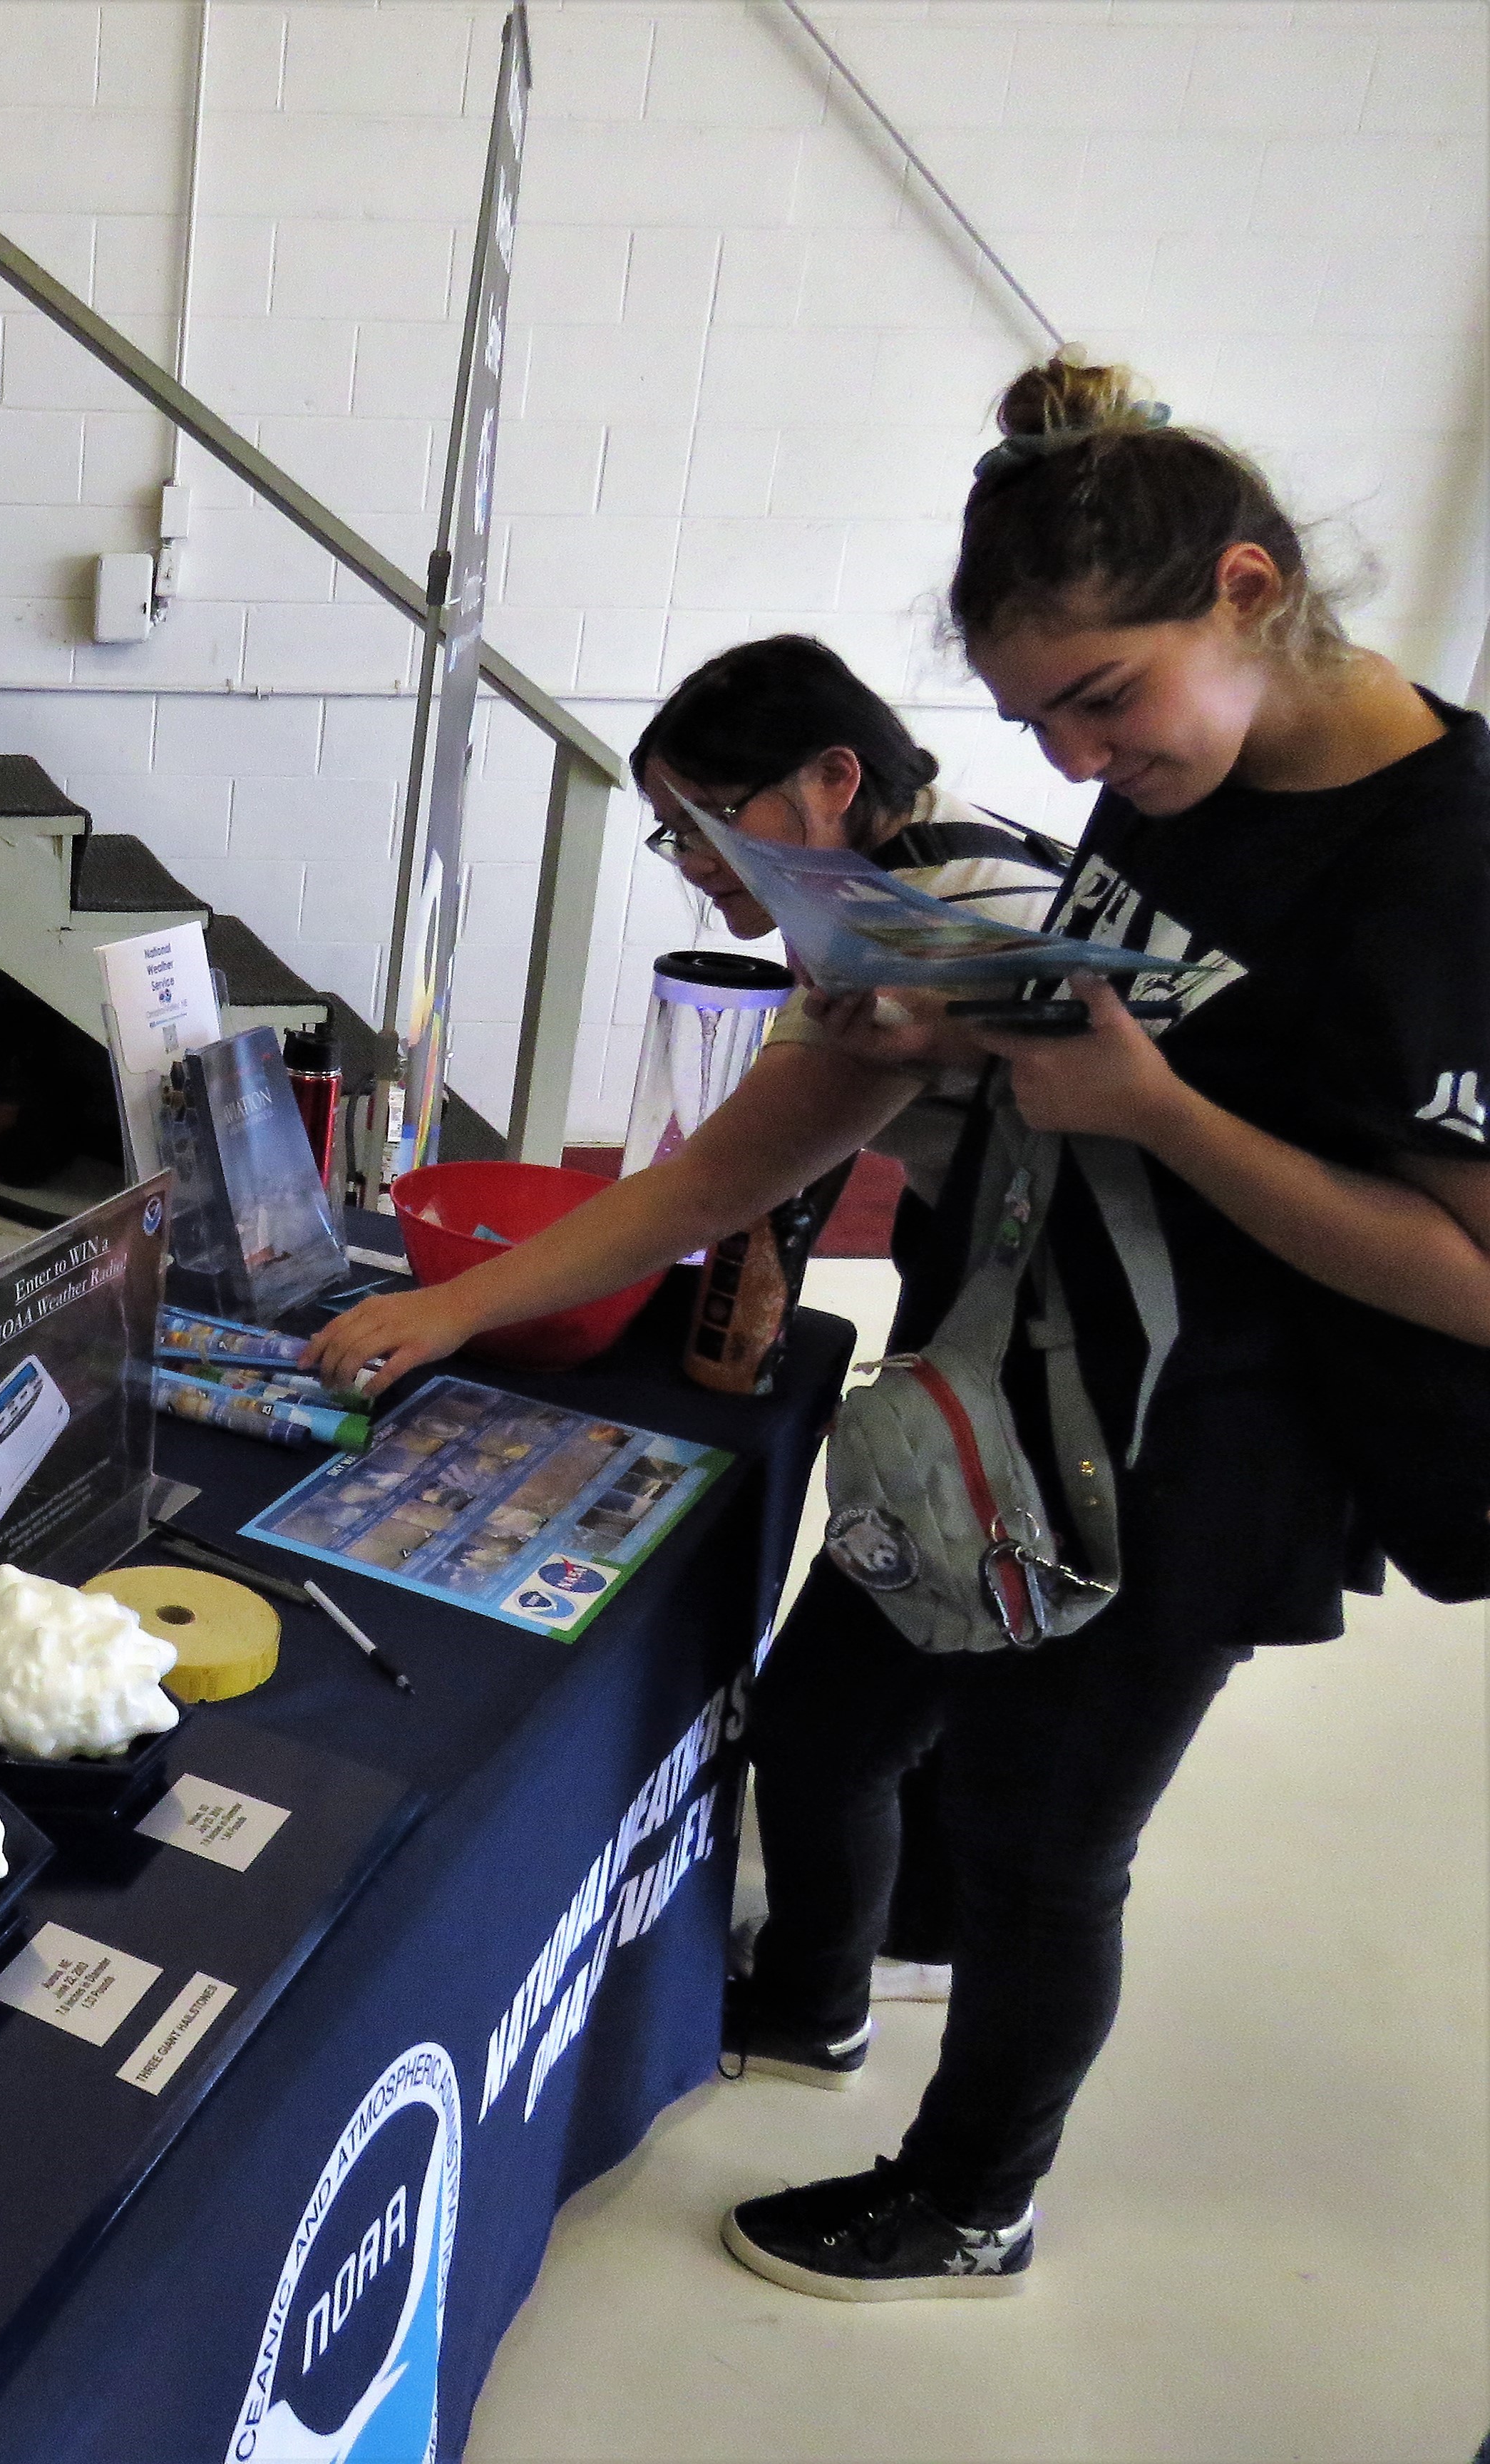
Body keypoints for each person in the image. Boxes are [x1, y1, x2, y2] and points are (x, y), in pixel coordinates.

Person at [309, 350, 1490, 2300]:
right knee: (839, 1713)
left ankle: (971, 2197)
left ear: (1252, 590)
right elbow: (1130, 1025)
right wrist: (960, 1034)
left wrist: (1158, 1116)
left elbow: (1458, 1270)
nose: (1082, 763)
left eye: (1104, 699)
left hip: (1209, 1456)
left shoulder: (1442, 857)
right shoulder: (1191, 782)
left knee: (1041, 1848)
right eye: (1039, 723)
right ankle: (826, 1996)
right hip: (1012, 1397)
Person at [638, 633, 1073, 2020]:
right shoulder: (956, 865)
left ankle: (809, 2003)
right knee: (956, 1653)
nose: (697, 858)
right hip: (1022, 1313)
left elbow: (717, 1182)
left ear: (833, 780)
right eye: (672, 832)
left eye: (708, 820)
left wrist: (450, 1305)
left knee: (828, 1714)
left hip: (1055, 1345)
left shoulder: (909, 921)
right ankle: (917, 1926)